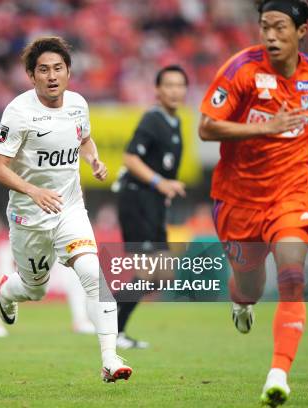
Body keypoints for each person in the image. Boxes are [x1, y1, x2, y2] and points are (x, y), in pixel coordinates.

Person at [198, 0, 308, 406]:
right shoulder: (241, 69)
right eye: (265, 26)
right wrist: (262, 127)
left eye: (280, 27)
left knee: (292, 279)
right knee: (250, 286)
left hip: (290, 195)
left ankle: (278, 374)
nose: (270, 35)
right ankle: (241, 302)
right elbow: (206, 128)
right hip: (237, 199)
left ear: (301, 32)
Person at [0, 36, 132, 382]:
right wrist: (33, 190)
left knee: (92, 274)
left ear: (68, 72)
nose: (52, 76)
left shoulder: (78, 105)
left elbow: (83, 139)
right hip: (29, 216)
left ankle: (110, 359)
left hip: (70, 209)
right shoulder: (19, 113)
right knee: (34, 289)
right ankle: (7, 291)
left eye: (58, 68)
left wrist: (94, 160)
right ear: (31, 75)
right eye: (43, 70)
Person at [115, 65, 188, 350]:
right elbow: (130, 158)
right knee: (146, 273)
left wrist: (168, 188)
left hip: (154, 202)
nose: (174, 90)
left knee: (163, 275)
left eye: (179, 85)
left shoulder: (176, 122)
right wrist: (160, 183)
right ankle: (114, 330)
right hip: (137, 198)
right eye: (168, 85)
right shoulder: (152, 119)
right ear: (157, 90)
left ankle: (109, 314)